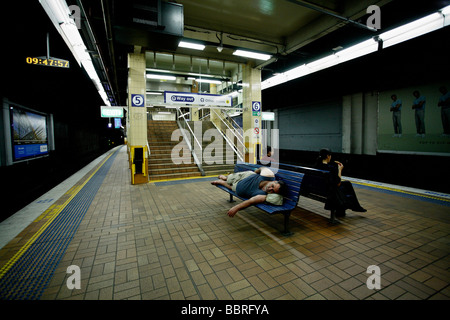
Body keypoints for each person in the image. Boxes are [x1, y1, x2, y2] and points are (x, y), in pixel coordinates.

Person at [211, 167, 287, 217]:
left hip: (236, 187)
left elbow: (251, 201)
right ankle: (223, 177)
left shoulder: (264, 195)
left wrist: (236, 208)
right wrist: (255, 172)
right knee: (228, 179)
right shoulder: (268, 175)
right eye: (272, 186)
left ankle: (220, 181)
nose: (270, 188)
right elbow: (262, 168)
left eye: (272, 191)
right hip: (244, 176)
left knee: (229, 185)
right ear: (274, 181)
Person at [315, 148, 366, 217]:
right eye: (330, 155)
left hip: (320, 189)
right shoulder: (330, 168)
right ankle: (355, 207)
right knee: (345, 188)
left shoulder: (318, 165)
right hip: (330, 190)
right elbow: (338, 183)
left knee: (347, 183)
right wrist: (340, 170)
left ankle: (355, 207)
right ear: (328, 156)